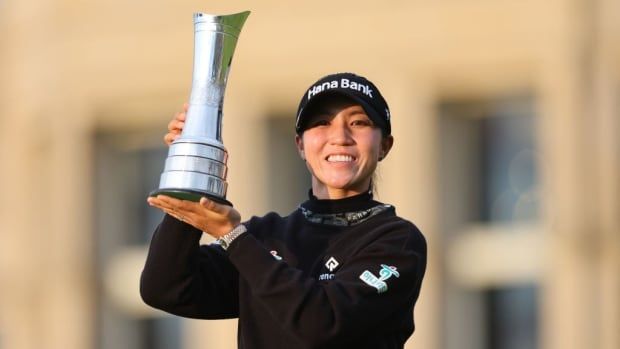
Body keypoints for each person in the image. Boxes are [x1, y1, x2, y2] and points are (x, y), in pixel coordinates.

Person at [141, 72, 427, 349]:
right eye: (322, 122)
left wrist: (233, 237)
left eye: (359, 123)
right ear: (300, 145)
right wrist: (194, 172)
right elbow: (166, 288)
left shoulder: (397, 241)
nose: (340, 137)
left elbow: (322, 324)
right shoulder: (266, 236)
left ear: (384, 146)